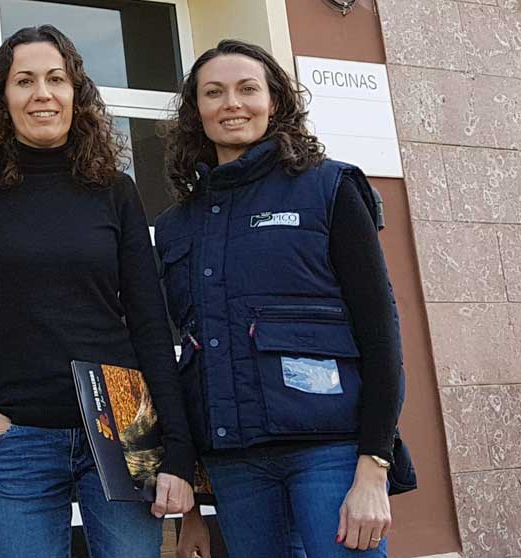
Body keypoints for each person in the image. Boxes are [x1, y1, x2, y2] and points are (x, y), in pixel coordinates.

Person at [0, 24, 195, 558]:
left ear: (76, 94)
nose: (42, 93)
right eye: (24, 81)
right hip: (15, 436)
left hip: (123, 425)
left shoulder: (115, 191)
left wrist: (177, 448)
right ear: (2, 99)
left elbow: (150, 324)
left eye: (55, 79)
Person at [158, 40, 406, 558]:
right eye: (214, 93)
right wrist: (194, 511)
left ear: (274, 102)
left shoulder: (328, 187)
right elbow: (180, 355)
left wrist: (373, 467)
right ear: (195, 111)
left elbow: (381, 332)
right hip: (235, 464)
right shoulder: (179, 225)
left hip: (330, 452)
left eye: (248, 89)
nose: (232, 103)